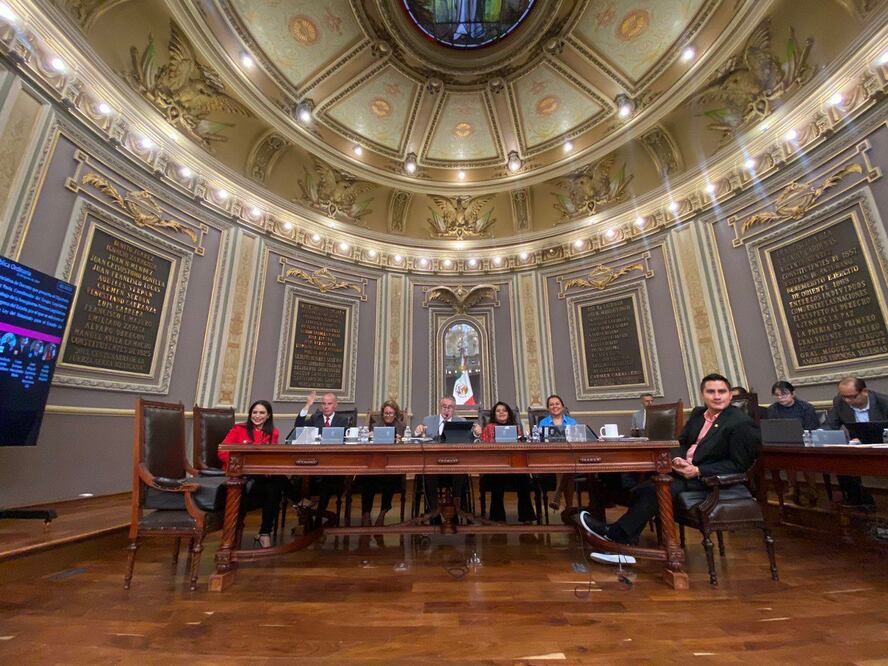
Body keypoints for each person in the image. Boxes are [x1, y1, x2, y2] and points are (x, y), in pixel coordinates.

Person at [579, 373, 759, 565]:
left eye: (722, 392)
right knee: (636, 483)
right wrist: (678, 459)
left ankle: (616, 537)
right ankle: (623, 539)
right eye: (711, 391)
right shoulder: (699, 415)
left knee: (656, 488)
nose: (717, 396)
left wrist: (698, 470)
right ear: (703, 395)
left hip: (711, 480)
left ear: (730, 395)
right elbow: (680, 441)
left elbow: (738, 465)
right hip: (684, 473)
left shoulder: (740, 423)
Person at [218, 400, 281, 549]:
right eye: (254, 412)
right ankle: (299, 501)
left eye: (262, 413)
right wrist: (242, 464)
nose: (257, 416)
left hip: (261, 475)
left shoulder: (273, 432)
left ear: (268, 416)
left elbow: (271, 456)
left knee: (274, 486)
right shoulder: (238, 429)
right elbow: (222, 451)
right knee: (278, 481)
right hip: (240, 474)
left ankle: (264, 532)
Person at [824, 377, 888, 507]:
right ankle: (857, 500)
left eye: (852, 397)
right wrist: (820, 434)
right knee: (840, 459)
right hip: (856, 447)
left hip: (883, 445)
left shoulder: (884, 402)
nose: (848, 401)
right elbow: (830, 425)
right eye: (844, 397)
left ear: (864, 391)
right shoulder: (839, 403)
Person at [293, 391, 352, 517]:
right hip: (314, 460)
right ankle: (304, 508)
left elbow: (346, 441)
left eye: (329, 404)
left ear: (335, 405)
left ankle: (318, 514)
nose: (326, 406)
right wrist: (307, 405)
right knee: (297, 478)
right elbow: (298, 427)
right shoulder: (315, 418)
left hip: (333, 463)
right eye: (324, 404)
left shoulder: (343, 421)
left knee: (328, 480)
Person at [765, 380, 820, 506]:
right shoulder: (773, 409)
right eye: (777, 395)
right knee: (787, 457)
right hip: (785, 442)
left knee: (806, 459)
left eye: (784, 394)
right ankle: (792, 487)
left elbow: (812, 427)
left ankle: (812, 488)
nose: (780, 398)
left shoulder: (805, 407)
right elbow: (773, 427)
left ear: (793, 393)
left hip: (806, 441)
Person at [480, 402, 535, 523]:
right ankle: (497, 517)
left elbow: (521, 448)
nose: (501, 412)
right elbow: (483, 448)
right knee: (497, 479)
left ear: (508, 413)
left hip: (515, 466)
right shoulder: (489, 428)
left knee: (524, 479)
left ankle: (526, 517)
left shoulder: (517, 428)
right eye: (498, 410)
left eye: (504, 410)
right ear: (494, 414)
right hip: (495, 466)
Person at [414, 396, 469, 514]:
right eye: (444, 407)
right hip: (433, 464)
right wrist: (418, 432)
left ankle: (456, 510)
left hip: (454, 464)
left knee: (461, 472)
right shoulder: (428, 421)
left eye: (450, 407)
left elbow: (469, 439)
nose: (446, 410)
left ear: (454, 409)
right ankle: (434, 513)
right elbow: (418, 437)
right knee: (428, 473)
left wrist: (475, 432)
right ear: (440, 408)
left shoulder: (461, 422)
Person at [358, 400, 406, 526]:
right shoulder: (375, 424)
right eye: (385, 413)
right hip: (374, 463)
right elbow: (365, 443)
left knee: (390, 479)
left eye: (390, 413)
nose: (387, 416)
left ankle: (382, 513)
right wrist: (370, 435)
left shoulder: (400, 426)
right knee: (366, 477)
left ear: (395, 414)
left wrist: (399, 440)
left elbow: (404, 445)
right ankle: (366, 513)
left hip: (391, 465)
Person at [538, 394, 577, 512]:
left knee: (568, 466)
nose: (554, 406)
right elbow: (541, 442)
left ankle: (557, 496)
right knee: (568, 468)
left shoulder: (572, 421)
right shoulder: (543, 422)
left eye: (557, 404)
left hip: (569, 455)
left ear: (563, 406)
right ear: (548, 408)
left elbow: (576, 440)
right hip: (550, 456)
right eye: (551, 404)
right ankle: (569, 509)